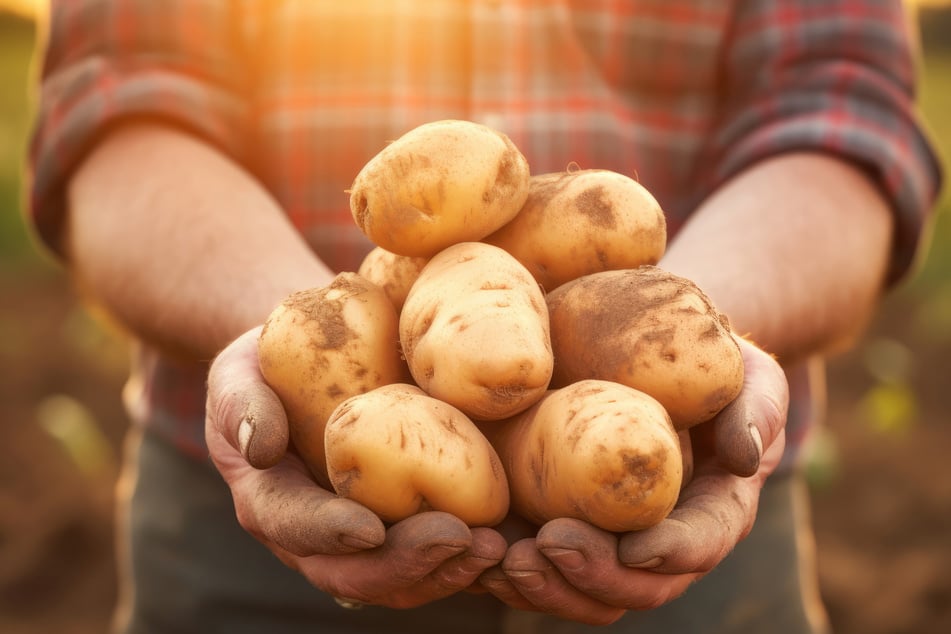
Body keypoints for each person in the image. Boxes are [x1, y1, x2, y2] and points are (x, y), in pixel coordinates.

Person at [27, 1, 941, 633]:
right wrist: (295, 337)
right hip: (243, 534)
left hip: (701, 504)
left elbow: (838, 113)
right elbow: (121, 107)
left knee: (621, 438)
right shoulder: (410, 305)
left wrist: (682, 319)